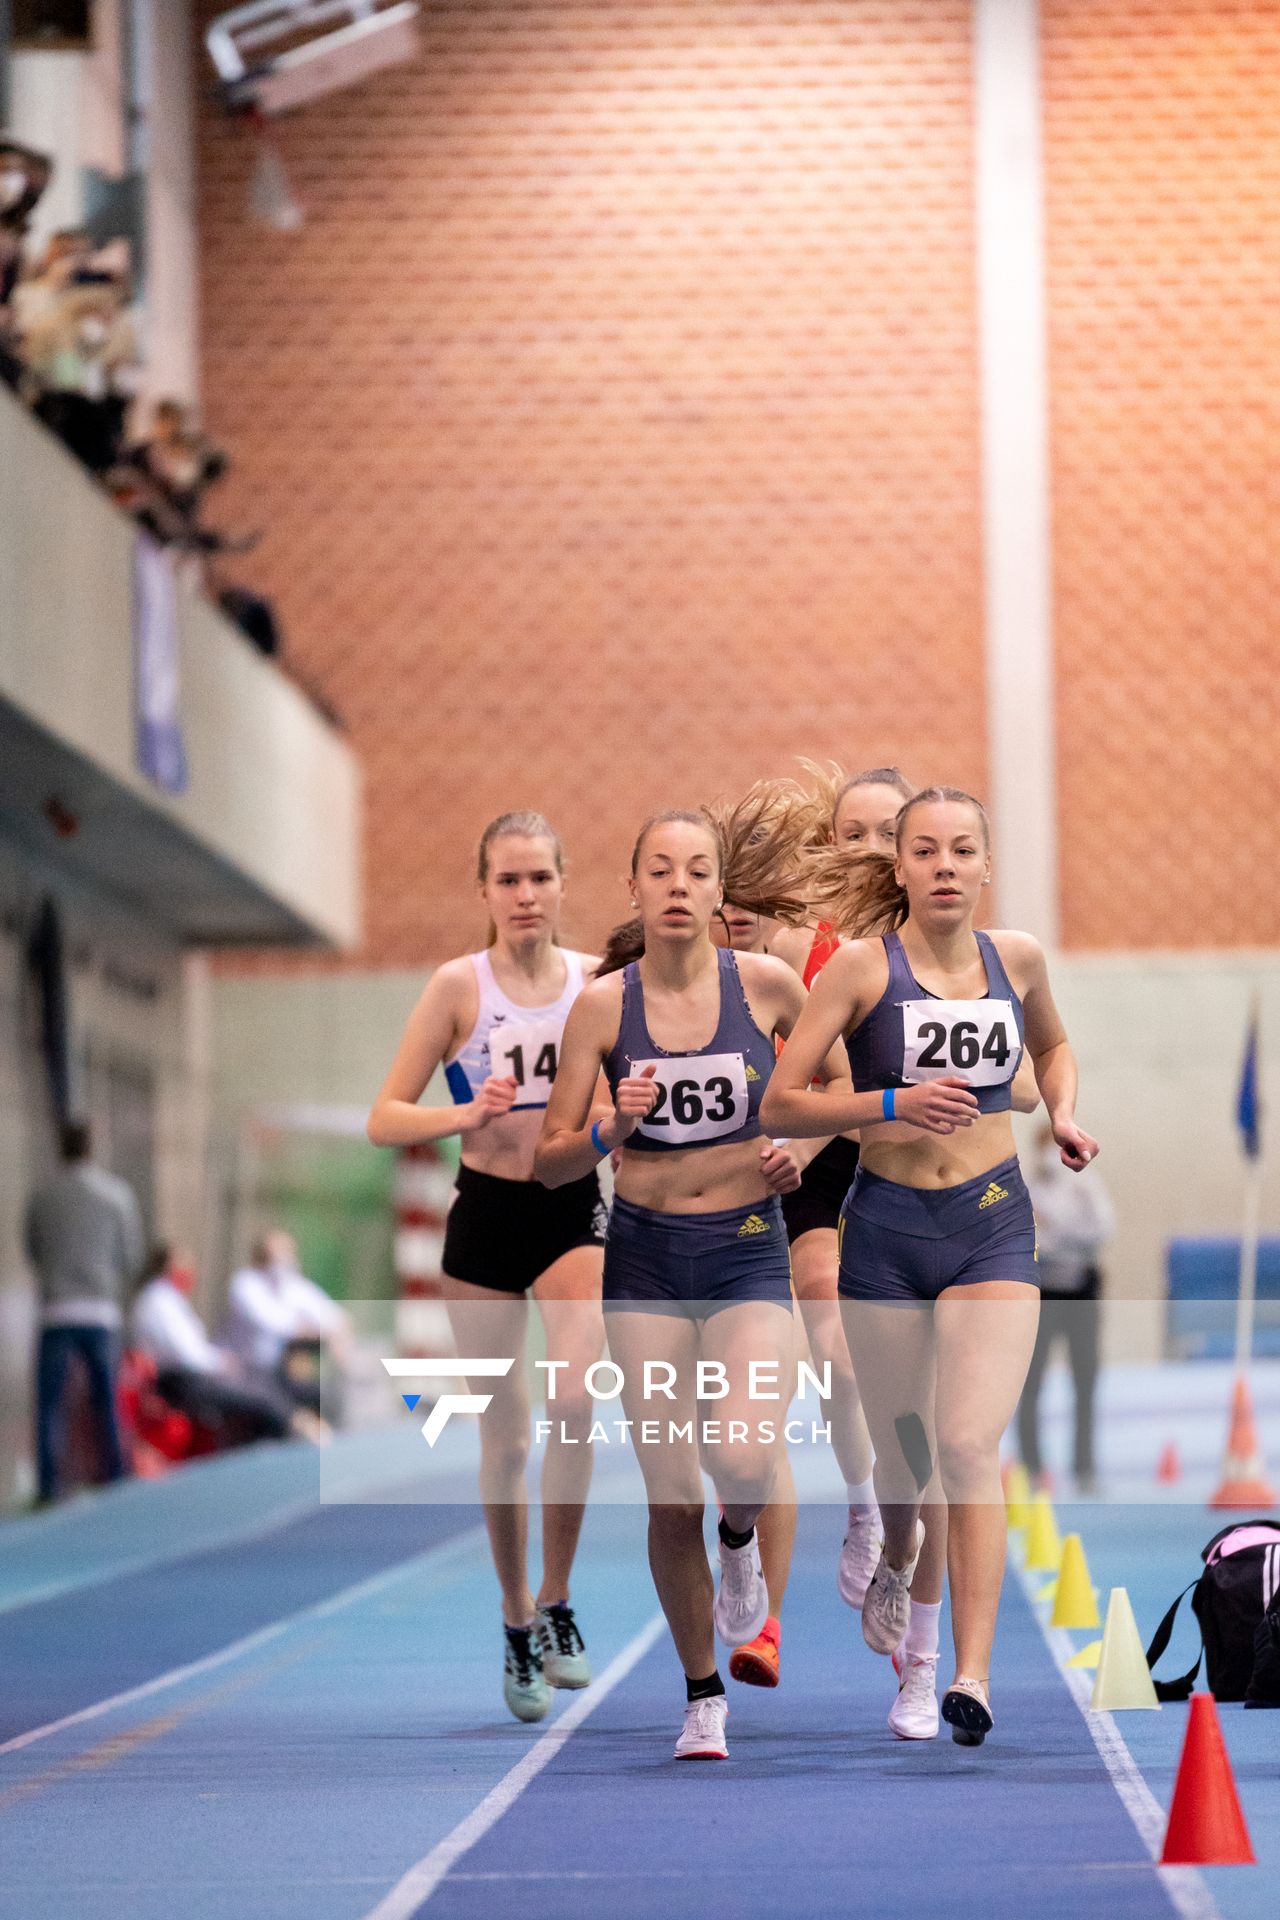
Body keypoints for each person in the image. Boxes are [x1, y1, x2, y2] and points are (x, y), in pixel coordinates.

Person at [762, 786, 1097, 1748]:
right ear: (899, 867)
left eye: (962, 850)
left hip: (991, 1223)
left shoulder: (1016, 958)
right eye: (926, 851)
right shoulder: (863, 972)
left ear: (987, 866)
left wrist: (1063, 1112)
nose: (945, 866)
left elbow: (1055, 1043)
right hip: (886, 1232)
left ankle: (971, 1676)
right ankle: (899, 1562)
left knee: (965, 1449)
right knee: (909, 1477)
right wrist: (890, 1104)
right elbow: (784, 1104)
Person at [536, 797, 846, 1761]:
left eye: (696, 870)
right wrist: (610, 1130)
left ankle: (743, 1540)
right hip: (645, 1260)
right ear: (633, 886)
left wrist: (808, 1141)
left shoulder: (766, 985)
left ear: (719, 891)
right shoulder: (600, 1006)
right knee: (671, 1496)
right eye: (659, 869)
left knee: (746, 1458)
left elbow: (839, 1091)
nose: (677, 886)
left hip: (750, 1247)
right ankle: (701, 1692)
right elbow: (549, 1159)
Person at [368, 811, 608, 1725]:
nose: (525, 896)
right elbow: (385, 1115)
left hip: (568, 1209)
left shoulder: (595, 982)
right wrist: (460, 1118)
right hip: (484, 1218)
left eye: (539, 878)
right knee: (504, 1440)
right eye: (507, 881)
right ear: (484, 892)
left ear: (561, 883)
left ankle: (556, 1601)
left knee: (577, 1397)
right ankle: (514, 1619)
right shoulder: (456, 989)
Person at [24, 1119, 143, 1503]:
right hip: (100, 1312)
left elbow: (33, 1248)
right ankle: (115, 1480)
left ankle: (48, 1486)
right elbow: (131, 1255)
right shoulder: (116, 1196)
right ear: (93, 1150)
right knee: (106, 1401)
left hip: (57, 1310)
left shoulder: (43, 1196)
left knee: (49, 1405)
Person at [133, 1244, 326, 1448]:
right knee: (260, 1400)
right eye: (183, 1263)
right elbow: (187, 1354)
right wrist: (220, 1362)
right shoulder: (159, 1301)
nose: (189, 1269)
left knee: (264, 1387)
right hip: (181, 1381)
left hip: (195, 1375)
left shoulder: (169, 1299)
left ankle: (300, 1426)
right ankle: (297, 1432)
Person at [1018, 1122, 1114, 1495]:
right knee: (1030, 1383)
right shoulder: (1025, 1188)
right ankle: (1032, 1467)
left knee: (1085, 1382)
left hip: (1080, 1293)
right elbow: (1028, 1238)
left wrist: (1055, 1229)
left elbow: (1102, 1231)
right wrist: (1058, 1234)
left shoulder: (1087, 1187)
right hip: (1041, 1293)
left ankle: (1084, 1467)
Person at [222, 1230, 350, 1418]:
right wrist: (308, 1329)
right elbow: (273, 1323)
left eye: (287, 1253)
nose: (284, 1260)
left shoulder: (293, 1287)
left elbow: (335, 1318)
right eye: (276, 1255)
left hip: (279, 1374)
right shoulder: (245, 1283)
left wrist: (335, 1337)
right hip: (247, 1373)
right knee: (277, 1411)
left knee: (328, 1399)